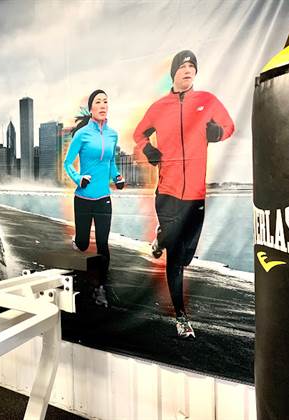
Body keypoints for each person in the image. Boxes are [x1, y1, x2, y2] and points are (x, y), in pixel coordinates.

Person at [133, 50, 234, 338]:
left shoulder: (207, 100)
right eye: (183, 66)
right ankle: (181, 316)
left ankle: (161, 238)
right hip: (167, 191)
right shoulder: (158, 107)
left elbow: (229, 126)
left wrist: (216, 133)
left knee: (187, 255)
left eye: (192, 66)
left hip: (195, 195)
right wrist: (149, 149)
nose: (188, 70)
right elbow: (139, 134)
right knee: (176, 259)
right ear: (174, 73)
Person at [64, 89, 125, 307]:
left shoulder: (112, 135)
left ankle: (101, 287)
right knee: (82, 244)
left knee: (102, 244)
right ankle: (77, 241)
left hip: (103, 198)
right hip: (83, 198)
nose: (102, 105)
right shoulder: (82, 135)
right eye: (98, 102)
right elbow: (67, 163)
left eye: (105, 101)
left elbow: (110, 163)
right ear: (91, 108)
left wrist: (117, 177)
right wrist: (78, 179)